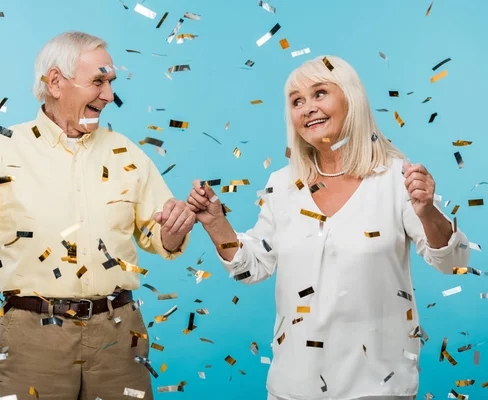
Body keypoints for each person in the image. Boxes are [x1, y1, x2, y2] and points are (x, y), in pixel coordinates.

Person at [0, 31, 196, 400]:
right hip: (32, 336)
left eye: (111, 82)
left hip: (118, 333)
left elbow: (161, 238)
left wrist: (175, 228)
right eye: (98, 81)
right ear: (56, 82)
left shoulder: (127, 154)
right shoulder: (0, 149)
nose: (109, 96)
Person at [186, 55, 470, 400]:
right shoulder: (282, 184)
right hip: (292, 387)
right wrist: (217, 223)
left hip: (378, 387)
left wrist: (427, 212)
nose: (308, 108)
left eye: (320, 93)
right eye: (297, 101)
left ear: (351, 98)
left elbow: (453, 262)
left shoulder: (396, 178)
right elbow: (253, 269)